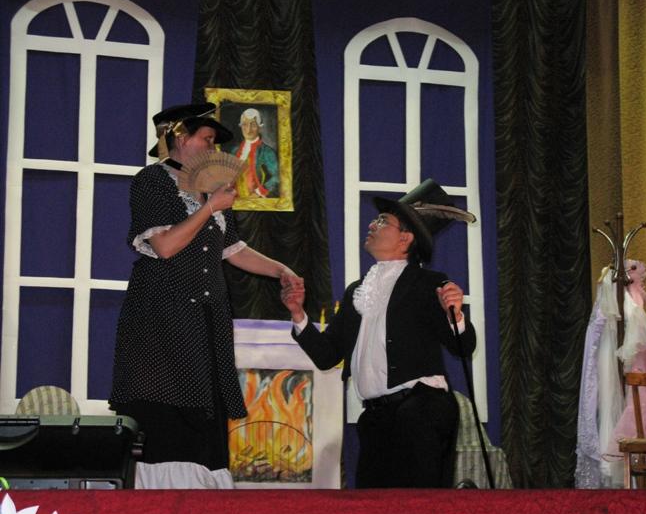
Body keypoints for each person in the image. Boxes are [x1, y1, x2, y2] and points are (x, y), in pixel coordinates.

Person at [110, 102, 303, 471]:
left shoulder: (209, 191)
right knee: (166, 404)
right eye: (207, 139)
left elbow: (233, 249)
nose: (213, 149)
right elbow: (165, 246)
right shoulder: (152, 181)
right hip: (162, 314)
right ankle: (162, 489)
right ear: (181, 138)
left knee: (206, 406)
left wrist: (281, 270)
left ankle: (202, 490)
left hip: (205, 315)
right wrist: (209, 207)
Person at [280, 179, 477, 488]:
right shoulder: (357, 291)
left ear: (406, 239)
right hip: (376, 418)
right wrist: (298, 314)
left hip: (421, 409)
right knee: (373, 507)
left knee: (418, 506)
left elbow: (463, 347)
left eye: (383, 221)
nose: (372, 224)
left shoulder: (428, 283)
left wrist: (456, 314)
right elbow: (327, 355)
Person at [230, 107, 280, 198]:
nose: (248, 129)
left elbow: (278, 177)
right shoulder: (234, 151)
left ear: (259, 128)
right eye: (245, 124)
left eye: (253, 125)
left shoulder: (267, 152)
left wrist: (259, 192)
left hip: (256, 202)